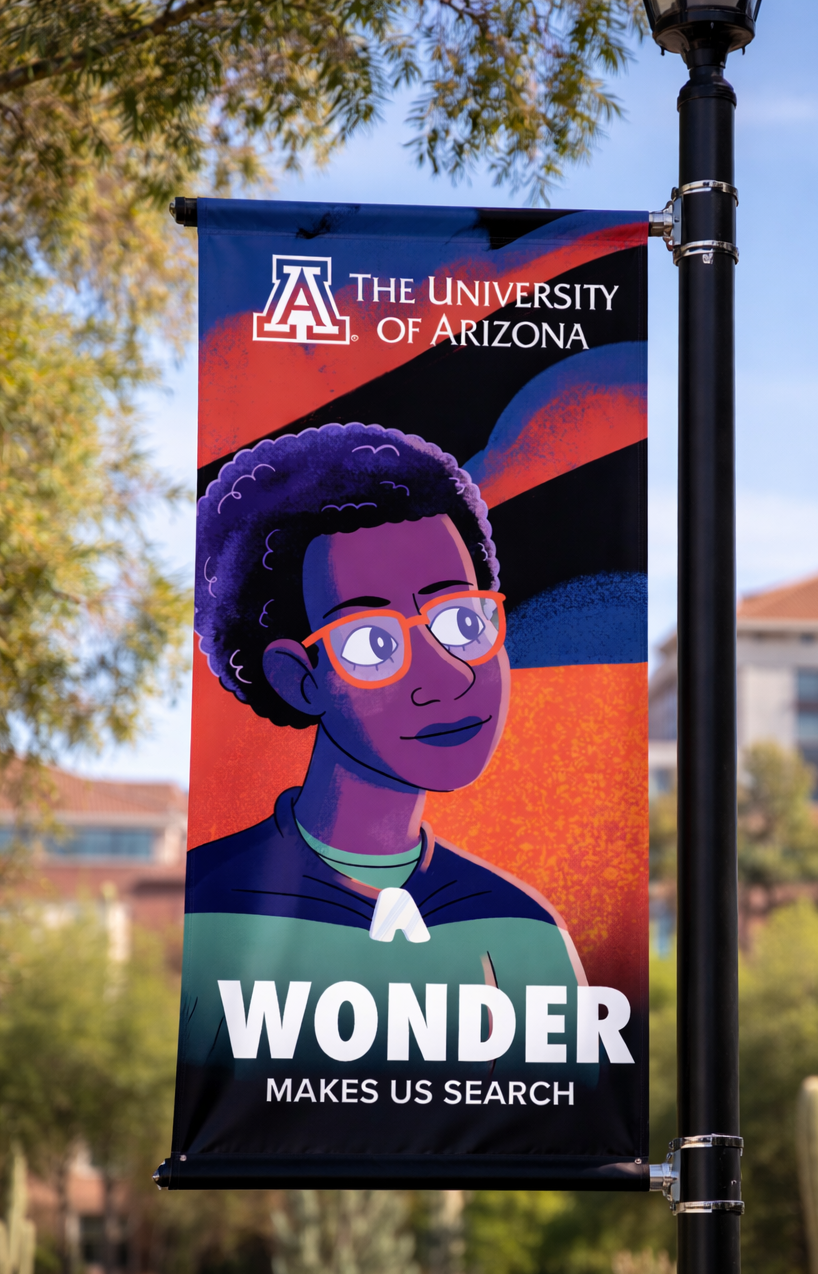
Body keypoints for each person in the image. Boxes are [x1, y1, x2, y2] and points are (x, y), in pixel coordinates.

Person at [182, 422, 586, 1079]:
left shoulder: (523, 931)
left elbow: (569, 1128)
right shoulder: (210, 909)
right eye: (373, 641)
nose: (448, 676)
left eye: (462, 621)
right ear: (298, 677)